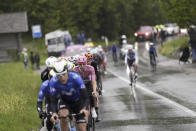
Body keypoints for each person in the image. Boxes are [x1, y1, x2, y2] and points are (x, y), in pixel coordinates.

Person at [50, 60, 89, 131]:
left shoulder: (76, 78)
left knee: (81, 127)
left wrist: (85, 108)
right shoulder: (53, 81)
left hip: (78, 102)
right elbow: (53, 100)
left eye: (63, 74)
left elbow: (85, 97)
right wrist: (54, 112)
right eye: (58, 75)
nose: (61, 77)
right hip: (65, 102)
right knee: (63, 117)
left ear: (67, 72)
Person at [73, 55, 101, 122]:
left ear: (86, 63)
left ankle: (93, 108)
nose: (82, 66)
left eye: (83, 64)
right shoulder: (75, 69)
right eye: (80, 64)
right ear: (78, 64)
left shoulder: (91, 68)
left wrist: (94, 91)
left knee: (92, 95)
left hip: (88, 84)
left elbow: (93, 81)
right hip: (80, 84)